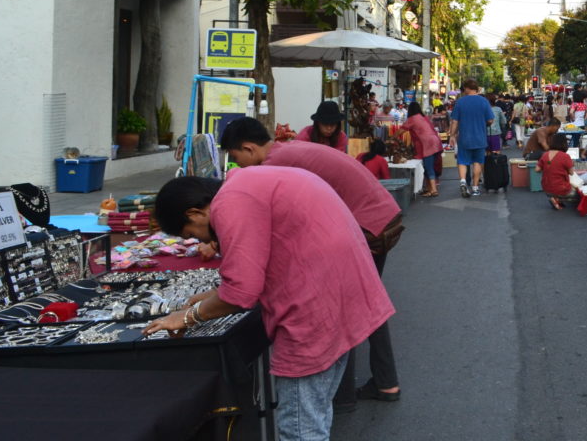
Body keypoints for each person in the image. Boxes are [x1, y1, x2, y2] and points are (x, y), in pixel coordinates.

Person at [143, 170, 392, 441]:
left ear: (194, 213)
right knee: (314, 413)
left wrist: (188, 316)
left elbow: (241, 292)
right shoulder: (247, 183)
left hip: (316, 309)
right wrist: (217, 292)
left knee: (300, 428)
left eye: (191, 233)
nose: (202, 241)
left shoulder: (230, 202)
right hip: (342, 294)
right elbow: (264, 255)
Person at [217, 118, 404, 405]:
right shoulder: (287, 150)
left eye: (235, 157)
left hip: (369, 223)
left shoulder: (272, 166)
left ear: (248, 148)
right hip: (380, 214)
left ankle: (344, 396)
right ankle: (383, 382)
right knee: (363, 300)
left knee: (347, 301)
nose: (236, 166)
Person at [449, 78, 495, 197]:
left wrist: (452, 135)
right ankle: (475, 188)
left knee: (463, 161)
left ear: (467, 88)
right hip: (480, 137)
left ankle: (463, 182)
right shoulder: (484, 101)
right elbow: (490, 120)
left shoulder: (460, 102)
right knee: (477, 162)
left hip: (464, 137)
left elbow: (455, 121)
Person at [403, 102, 444, 197]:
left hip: (427, 144)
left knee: (429, 167)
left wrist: (391, 138)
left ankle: (434, 190)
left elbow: (401, 130)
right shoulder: (424, 117)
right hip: (435, 142)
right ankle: (429, 189)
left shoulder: (412, 119)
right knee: (428, 166)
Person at [538, 133, 577, 210]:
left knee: (555, 185)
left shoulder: (545, 154)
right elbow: (571, 173)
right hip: (561, 188)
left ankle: (556, 199)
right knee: (578, 195)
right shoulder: (565, 156)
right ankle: (558, 199)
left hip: (546, 188)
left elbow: (537, 169)